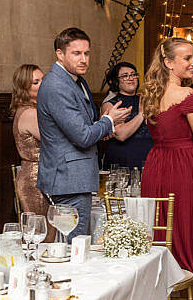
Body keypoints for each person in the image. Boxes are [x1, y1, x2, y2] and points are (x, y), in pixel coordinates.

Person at [140, 37, 193, 300]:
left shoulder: (150, 93)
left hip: (157, 165)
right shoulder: (187, 95)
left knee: (162, 234)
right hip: (184, 165)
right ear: (169, 62)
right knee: (189, 233)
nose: (192, 63)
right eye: (186, 58)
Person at [36, 27, 130, 240]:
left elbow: (84, 127)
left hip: (75, 177)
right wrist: (108, 121)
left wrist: (107, 127)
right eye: (76, 53)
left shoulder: (76, 80)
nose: (83, 59)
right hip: (67, 178)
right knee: (73, 244)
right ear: (59, 54)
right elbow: (82, 136)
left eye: (87, 53)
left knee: (74, 244)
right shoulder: (56, 85)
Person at [10, 63, 55, 242]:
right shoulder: (30, 113)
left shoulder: (35, 110)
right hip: (35, 179)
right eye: (36, 82)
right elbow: (54, 141)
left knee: (49, 231)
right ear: (24, 88)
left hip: (40, 175)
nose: (43, 84)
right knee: (41, 234)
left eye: (43, 79)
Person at [100, 61, 151, 169]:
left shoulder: (146, 100)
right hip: (123, 160)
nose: (131, 78)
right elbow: (121, 135)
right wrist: (141, 114)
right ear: (116, 81)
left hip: (149, 158)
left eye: (133, 74)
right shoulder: (110, 105)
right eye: (125, 76)